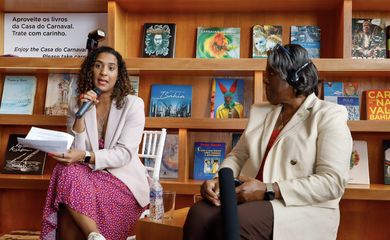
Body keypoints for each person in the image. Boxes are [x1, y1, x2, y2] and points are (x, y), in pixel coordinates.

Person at [183, 44, 353, 240]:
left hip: (300, 207)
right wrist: (219, 181)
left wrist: (268, 189)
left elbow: (332, 182)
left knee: (233, 223)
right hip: (251, 198)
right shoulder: (261, 111)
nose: (265, 79)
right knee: (198, 215)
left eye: (271, 74)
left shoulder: (329, 115)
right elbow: (238, 156)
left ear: (294, 79)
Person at [41, 46, 149, 240]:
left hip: (122, 182)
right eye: (98, 66)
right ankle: (94, 235)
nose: (104, 72)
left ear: (119, 74)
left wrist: (83, 156)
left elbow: (124, 154)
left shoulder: (134, 104)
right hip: (86, 179)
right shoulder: (77, 104)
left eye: (111, 67)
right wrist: (82, 112)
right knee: (65, 170)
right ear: (90, 70)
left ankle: (94, 235)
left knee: (67, 204)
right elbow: (77, 150)